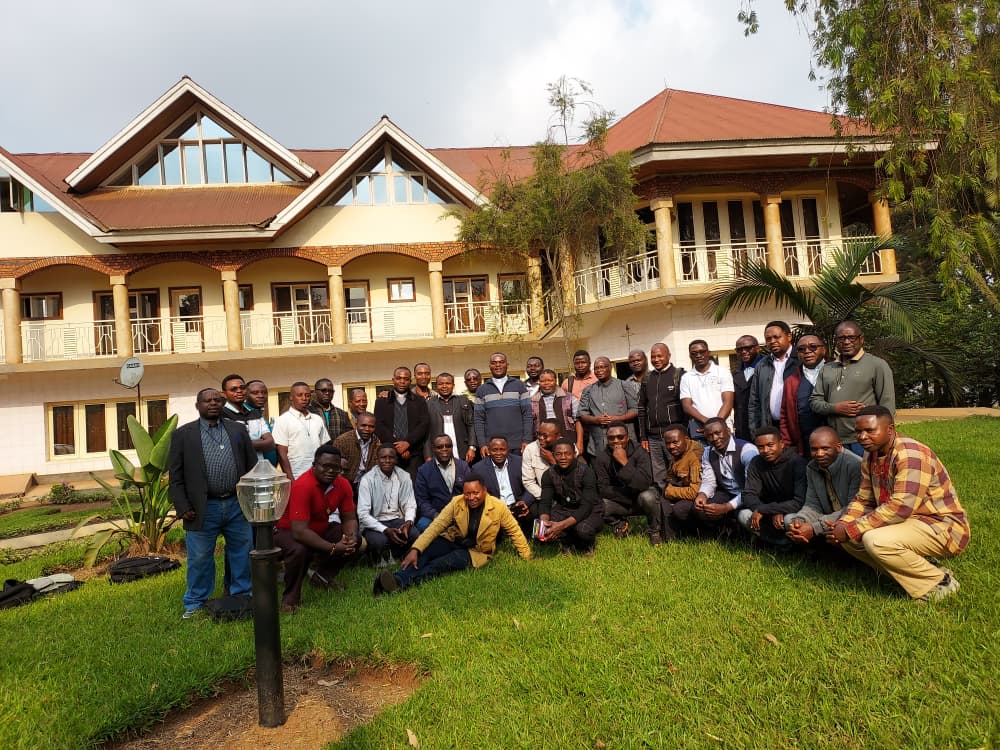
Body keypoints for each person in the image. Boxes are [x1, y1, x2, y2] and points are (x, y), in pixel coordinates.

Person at [826, 406, 969, 601]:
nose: (862, 437)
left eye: (870, 430)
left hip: (941, 526)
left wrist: (851, 529)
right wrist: (844, 524)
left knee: (874, 540)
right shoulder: (871, 454)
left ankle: (939, 583)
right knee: (850, 538)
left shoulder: (911, 455)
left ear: (890, 429)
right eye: (858, 431)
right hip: (907, 523)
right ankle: (926, 569)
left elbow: (900, 508)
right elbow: (864, 498)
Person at [168, 388, 257, 619]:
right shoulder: (183, 435)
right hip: (202, 508)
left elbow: (252, 467)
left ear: (222, 403)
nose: (213, 403)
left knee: (242, 553)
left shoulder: (237, 430)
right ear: (198, 406)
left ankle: (242, 596)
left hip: (237, 504)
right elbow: (175, 477)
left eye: (217, 400)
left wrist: (251, 500)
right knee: (199, 558)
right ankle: (195, 603)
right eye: (207, 401)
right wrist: (183, 506)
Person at [374, 477, 532, 595]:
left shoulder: (498, 507)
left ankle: (401, 584)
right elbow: (436, 526)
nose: (471, 497)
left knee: (441, 563)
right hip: (453, 539)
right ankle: (395, 579)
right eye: (467, 494)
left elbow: (514, 530)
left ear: (484, 490)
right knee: (426, 552)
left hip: (475, 551)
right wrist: (416, 549)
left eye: (476, 493)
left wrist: (527, 556)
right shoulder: (457, 502)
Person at [274, 445, 359, 612]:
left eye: (335, 467)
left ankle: (322, 577)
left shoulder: (343, 484)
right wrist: (333, 548)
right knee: (299, 549)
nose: (331, 471)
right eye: (325, 466)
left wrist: (351, 538)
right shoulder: (303, 485)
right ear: (314, 465)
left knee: (354, 539)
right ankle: (290, 599)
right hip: (287, 531)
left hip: (318, 528)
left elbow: (349, 518)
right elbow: (299, 531)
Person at [810, 321, 896, 456]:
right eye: (841, 338)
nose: (846, 342)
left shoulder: (877, 365)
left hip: (864, 440)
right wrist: (835, 408)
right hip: (835, 441)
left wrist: (885, 439)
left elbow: (887, 405)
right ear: (835, 341)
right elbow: (814, 402)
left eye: (851, 338)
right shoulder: (827, 368)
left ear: (861, 339)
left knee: (866, 470)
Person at [785, 427, 862, 545]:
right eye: (814, 449)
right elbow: (813, 504)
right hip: (827, 516)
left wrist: (815, 528)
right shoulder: (812, 467)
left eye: (825, 448)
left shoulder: (855, 465)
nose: (819, 454)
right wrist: (800, 521)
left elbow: (852, 509)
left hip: (849, 517)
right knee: (790, 520)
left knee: (843, 527)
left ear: (838, 447)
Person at [682, 418, 758, 534]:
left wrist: (726, 507)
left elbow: (751, 489)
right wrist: (702, 495)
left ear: (728, 431)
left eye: (718, 433)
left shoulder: (747, 450)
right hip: (727, 493)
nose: (715, 438)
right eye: (710, 436)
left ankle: (739, 531)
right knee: (701, 509)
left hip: (750, 494)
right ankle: (724, 529)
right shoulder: (708, 452)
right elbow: (709, 481)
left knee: (745, 515)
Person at [736, 426, 807, 547]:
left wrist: (768, 510)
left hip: (791, 511)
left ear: (781, 444)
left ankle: (794, 546)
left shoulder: (797, 463)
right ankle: (780, 544)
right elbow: (749, 494)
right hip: (766, 511)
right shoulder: (756, 462)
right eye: (760, 447)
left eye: (770, 445)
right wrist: (767, 510)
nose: (766, 450)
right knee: (744, 515)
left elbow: (799, 501)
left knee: (790, 520)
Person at [593, 425, 661, 545]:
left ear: (628, 437)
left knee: (649, 496)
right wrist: (628, 496)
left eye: (620, 437)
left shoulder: (640, 452)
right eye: (611, 438)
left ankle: (654, 530)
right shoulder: (602, 458)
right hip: (621, 500)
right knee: (596, 504)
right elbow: (602, 488)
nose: (616, 441)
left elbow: (644, 483)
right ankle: (619, 524)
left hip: (641, 499)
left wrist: (624, 462)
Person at [537, 439, 604, 554]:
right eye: (558, 454)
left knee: (583, 530)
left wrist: (561, 526)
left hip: (590, 510)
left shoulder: (587, 472)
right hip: (565, 508)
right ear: (553, 455)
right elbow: (545, 502)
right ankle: (566, 540)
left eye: (567, 454)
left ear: (574, 454)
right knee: (541, 529)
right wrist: (544, 524)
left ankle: (586, 546)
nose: (563, 457)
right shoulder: (548, 474)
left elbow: (586, 507)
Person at [357, 445, 419, 565]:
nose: (387, 460)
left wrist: (408, 522)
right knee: (380, 541)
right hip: (375, 521)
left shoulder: (404, 476)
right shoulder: (367, 479)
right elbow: (363, 514)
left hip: (396, 519)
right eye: (383, 457)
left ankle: (397, 554)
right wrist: (385, 530)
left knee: (414, 534)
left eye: (391, 457)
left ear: (396, 459)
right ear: (377, 459)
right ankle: (376, 557)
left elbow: (410, 503)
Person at [638, 343, 685, 487]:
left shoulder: (679, 375)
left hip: (674, 437)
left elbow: (686, 406)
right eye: (653, 357)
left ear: (668, 355)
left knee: (678, 471)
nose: (656, 359)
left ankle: (679, 497)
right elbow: (641, 408)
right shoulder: (647, 378)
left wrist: (684, 433)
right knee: (659, 474)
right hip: (653, 438)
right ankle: (662, 497)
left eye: (660, 356)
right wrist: (643, 436)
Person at [374, 366, 430, 480]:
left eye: (406, 379)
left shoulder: (419, 401)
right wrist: (397, 447)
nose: (402, 381)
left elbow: (423, 425)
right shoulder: (381, 401)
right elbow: (379, 426)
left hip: (413, 454)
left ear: (410, 381)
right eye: (399, 378)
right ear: (393, 380)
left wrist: (407, 443)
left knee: (412, 487)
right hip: (389, 455)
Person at [473, 352, 533, 457]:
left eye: (501, 362)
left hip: (518, 445)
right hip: (493, 446)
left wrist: (526, 440)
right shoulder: (482, 390)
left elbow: (527, 415)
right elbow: (479, 420)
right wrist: (482, 444)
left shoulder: (519, 385)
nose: (498, 365)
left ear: (507, 365)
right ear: (490, 366)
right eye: (494, 363)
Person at [471, 436, 533, 534]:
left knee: (534, 510)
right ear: (489, 450)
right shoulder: (478, 469)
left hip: (517, 505)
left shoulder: (520, 462)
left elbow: (531, 485)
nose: (499, 453)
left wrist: (524, 501)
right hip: (495, 509)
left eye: (502, 449)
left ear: (508, 450)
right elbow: (477, 494)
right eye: (494, 450)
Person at [577, 356, 638, 457]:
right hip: (599, 443)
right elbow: (582, 414)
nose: (599, 371)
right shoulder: (588, 390)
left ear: (610, 367)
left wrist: (618, 418)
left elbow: (635, 410)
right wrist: (596, 420)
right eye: (596, 368)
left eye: (602, 367)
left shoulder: (624, 385)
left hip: (623, 442)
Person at [780, 334, 828, 456]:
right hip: (805, 444)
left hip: (835, 440)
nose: (807, 351)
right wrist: (787, 443)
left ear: (823, 349)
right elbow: (785, 414)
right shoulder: (791, 381)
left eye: (813, 347)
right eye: (801, 349)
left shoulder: (837, 372)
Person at [273, 382, 330, 480]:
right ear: (291, 397)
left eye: (307, 395)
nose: (304, 398)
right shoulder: (283, 420)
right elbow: (282, 454)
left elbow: (323, 448)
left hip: (318, 475)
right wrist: (291, 480)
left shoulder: (317, 419)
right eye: (299, 395)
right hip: (296, 475)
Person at [748, 321, 798, 435]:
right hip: (771, 427)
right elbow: (754, 402)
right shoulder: (762, 365)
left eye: (777, 337)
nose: (772, 341)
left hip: (796, 426)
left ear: (789, 337)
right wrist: (755, 432)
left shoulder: (800, 359)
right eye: (768, 339)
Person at [679, 340, 735, 442]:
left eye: (702, 352)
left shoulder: (722, 372)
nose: (698, 356)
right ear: (690, 356)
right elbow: (687, 406)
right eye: (694, 353)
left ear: (708, 353)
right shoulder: (686, 377)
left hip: (723, 427)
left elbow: (728, 402)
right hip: (700, 430)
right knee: (703, 453)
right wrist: (708, 423)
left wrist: (716, 424)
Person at [415, 435, 472, 531]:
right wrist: (435, 515)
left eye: (448, 446)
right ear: (433, 449)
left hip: (461, 511)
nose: (444, 449)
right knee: (422, 525)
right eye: (439, 447)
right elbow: (422, 500)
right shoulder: (424, 470)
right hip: (436, 513)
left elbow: (471, 493)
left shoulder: (463, 466)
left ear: (452, 448)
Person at [658, 424, 703, 541]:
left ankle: (692, 534)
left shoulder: (694, 456)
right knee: (659, 499)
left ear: (686, 439)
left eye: (675, 442)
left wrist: (670, 491)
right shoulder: (679, 452)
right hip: (683, 489)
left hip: (699, 498)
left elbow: (694, 492)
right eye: (667, 443)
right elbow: (671, 475)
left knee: (677, 507)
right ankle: (667, 537)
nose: (671, 446)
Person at [220, 374, 275, 461]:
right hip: (236, 467)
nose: (239, 391)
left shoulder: (256, 414)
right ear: (224, 394)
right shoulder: (221, 415)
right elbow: (234, 444)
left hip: (258, 467)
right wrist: (260, 441)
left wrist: (244, 443)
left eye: (242, 388)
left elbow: (270, 443)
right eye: (233, 389)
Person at [425, 372, 476, 464]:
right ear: (436, 386)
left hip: (463, 452)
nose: (444, 386)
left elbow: (471, 425)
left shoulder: (463, 401)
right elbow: (426, 434)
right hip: (438, 453)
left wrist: (472, 447)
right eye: (441, 384)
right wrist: (428, 455)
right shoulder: (429, 404)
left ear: (453, 385)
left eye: (448, 383)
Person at [529, 368, 583, 453]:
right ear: (539, 382)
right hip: (542, 445)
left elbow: (578, 421)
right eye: (543, 381)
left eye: (550, 380)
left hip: (567, 441)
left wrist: (579, 443)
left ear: (556, 380)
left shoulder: (569, 398)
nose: (546, 383)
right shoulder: (532, 401)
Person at [332, 412, 380, 497]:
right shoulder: (342, 441)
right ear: (356, 425)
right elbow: (335, 468)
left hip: (367, 483)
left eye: (371, 426)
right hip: (346, 482)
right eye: (363, 425)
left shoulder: (376, 442)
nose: (367, 429)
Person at [521, 419, 561, 507]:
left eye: (545, 436)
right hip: (543, 497)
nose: (540, 438)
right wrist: (547, 498)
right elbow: (528, 481)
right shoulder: (530, 449)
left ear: (557, 436)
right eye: (539, 434)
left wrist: (553, 461)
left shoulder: (568, 447)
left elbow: (572, 478)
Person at [731, 335, 761, 441]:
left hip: (763, 425)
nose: (743, 352)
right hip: (742, 428)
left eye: (748, 348)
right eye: (739, 349)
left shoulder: (768, 368)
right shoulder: (734, 373)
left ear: (757, 348)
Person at [245, 379, 279, 466]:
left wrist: (259, 442)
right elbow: (239, 444)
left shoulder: (258, 414)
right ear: (245, 395)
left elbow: (271, 442)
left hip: (267, 470)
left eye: (264, 392)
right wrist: (264, 442)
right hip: (252, 469)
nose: (261, 396)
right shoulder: (242, 415)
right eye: (255, 393)